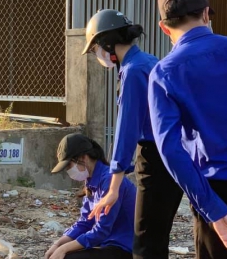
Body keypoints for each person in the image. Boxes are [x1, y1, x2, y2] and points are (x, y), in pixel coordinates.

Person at [82, 9, 184, 258]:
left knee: (145, 244)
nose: (98, 54)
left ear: (107, 43)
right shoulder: (148, 61)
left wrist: (113, 187)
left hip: (155, 158)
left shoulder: (133, 71)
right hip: (172, 155)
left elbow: (126, 131)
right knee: (157, 237)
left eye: (95, 47)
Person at [147, 0, 227, 258]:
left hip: (217, 193)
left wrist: (215, 212)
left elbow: (171, 150)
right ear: (205, 14)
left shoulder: (164, 72)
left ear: (164, 28)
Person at [44, 133, 136, 259]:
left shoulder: (109, 181)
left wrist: (64, 248)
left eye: (69, 166)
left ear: (83, 158)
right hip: (107, 244)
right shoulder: (91, 182)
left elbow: (101, 231)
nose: (68, 171)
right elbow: (85, 222)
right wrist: (58, 244)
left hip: (124, 248)